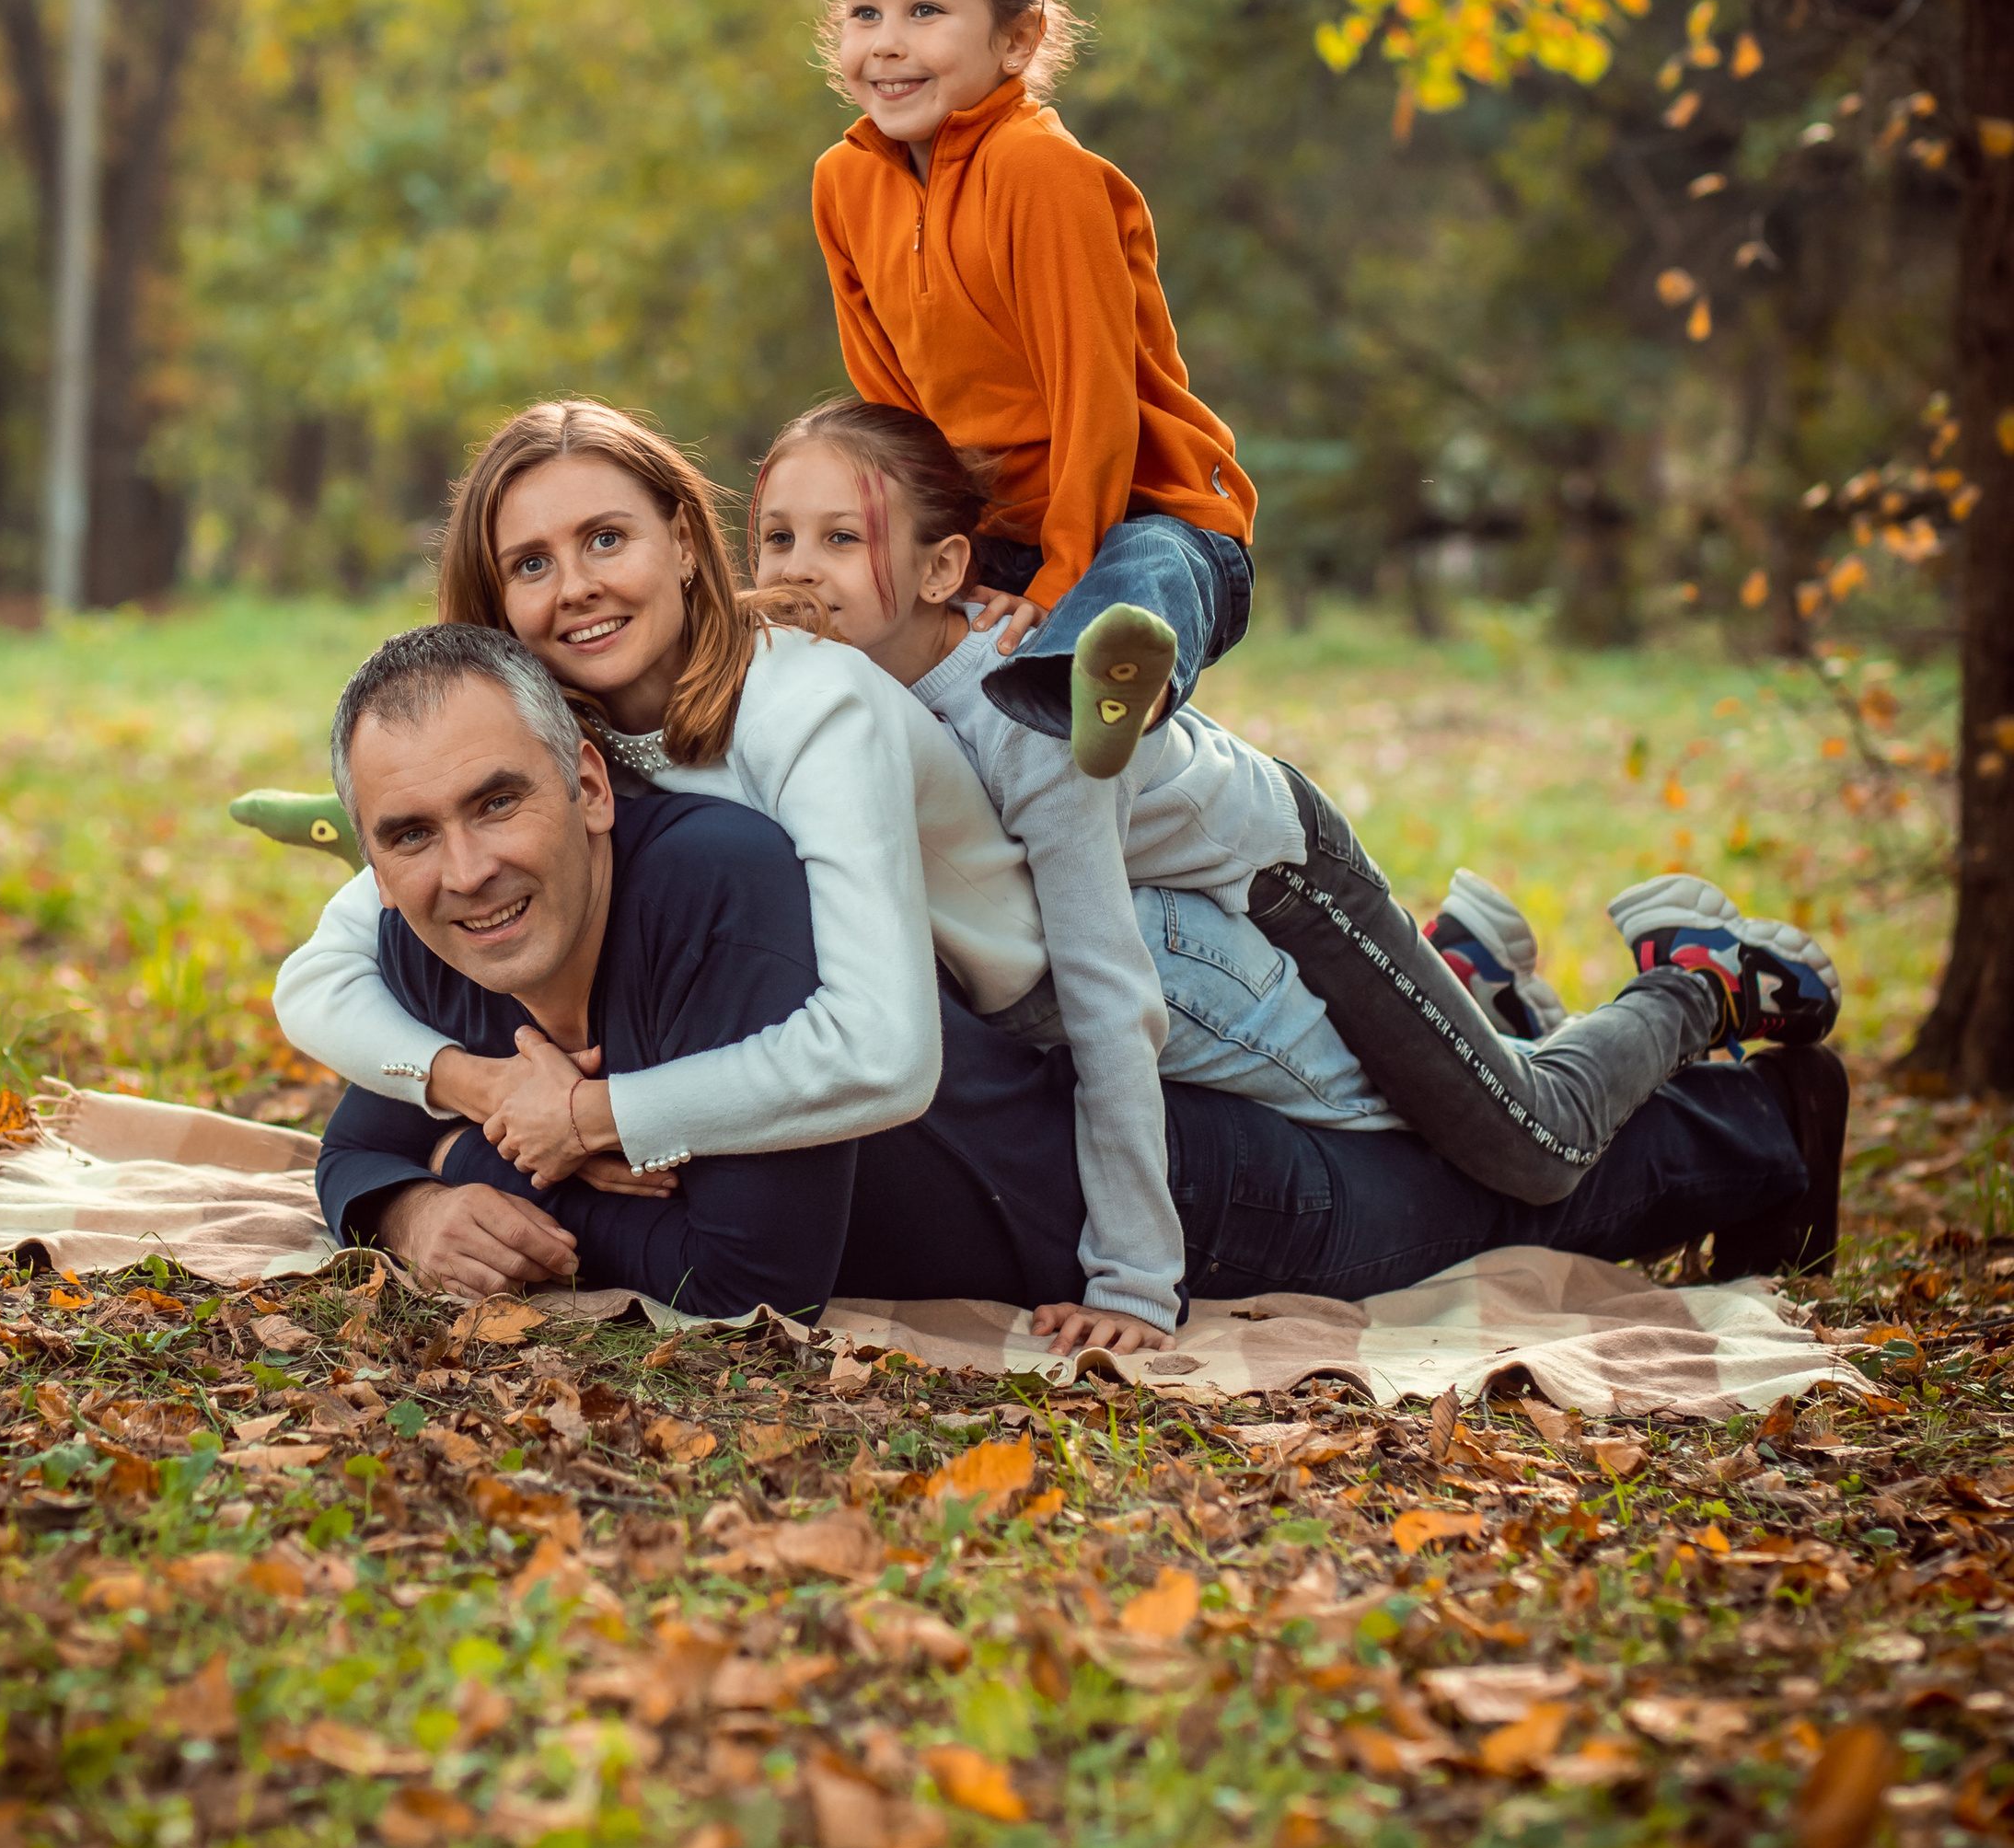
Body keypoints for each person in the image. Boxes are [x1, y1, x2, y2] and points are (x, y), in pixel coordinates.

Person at [313, 624, 1843, 1323]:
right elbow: (364, 1124)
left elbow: (751, 1271)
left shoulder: (714, 892)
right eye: (411, 834)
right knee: (1478, 1139)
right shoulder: (438, 930)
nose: (463, 869)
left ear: (586, 784)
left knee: (1521, 1192)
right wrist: (421, 1194)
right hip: (1060, 1168)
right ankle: (1476, 991)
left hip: (1165, 1195)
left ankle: (1763, 1105)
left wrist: (561, 1183)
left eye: (496, 801)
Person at [749, 398, 1848, 1343]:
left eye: (840, 539)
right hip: (1209, 915)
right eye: (775, 540)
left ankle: (1696, 978)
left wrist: (1135, 1279)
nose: (798, 572)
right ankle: (1464, 980)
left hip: (1286, 878)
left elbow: (1107, 992)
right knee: (1448, 1086)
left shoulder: (1029, 715)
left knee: (1532, 1142)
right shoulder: (862, 681)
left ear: (943, 567)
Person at [274, 395, 1054, 1234]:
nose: (577, 588)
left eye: (606, 540)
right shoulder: (557, 744)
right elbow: (315, 980)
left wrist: (587, 1117)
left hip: (1012, 1037)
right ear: (497, 600)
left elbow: (886, 1054)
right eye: (530, 565)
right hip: (839, 1038)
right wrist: (481, 1088)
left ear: (683, 543)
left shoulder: (811, 704)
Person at [807, 0, 1255, 780]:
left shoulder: (1040, 171)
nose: (885, 42)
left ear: (1016, 39)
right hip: (996, 540)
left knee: (1146, 576)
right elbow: (889, 405)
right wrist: (938, 555)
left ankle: (1087, 686)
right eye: (863, 13)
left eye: (925, 12)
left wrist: (1061, 578)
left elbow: (1094, 395)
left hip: (1141, 507)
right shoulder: (843, 184)